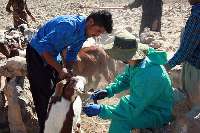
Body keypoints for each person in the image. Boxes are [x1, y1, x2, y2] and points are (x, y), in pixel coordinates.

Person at [26, 10, 113, 133]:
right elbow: (43, 49)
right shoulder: (68, 26)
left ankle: (59, 122)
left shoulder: (84, 33)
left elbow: (71, 54)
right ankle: (45, 127)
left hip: (53, 53)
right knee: (43, 95)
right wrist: (60, 69)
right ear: (91, 22)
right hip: (36, 53)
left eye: (101, 33)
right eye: (98, 31)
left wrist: (69, 69)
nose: (97, 35)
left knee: (57, 89)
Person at [83, 31, 173, 133]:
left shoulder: (147, 75)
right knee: (120, 115)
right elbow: (125, 79)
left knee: (121, 120)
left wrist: (101, 109)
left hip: (156, 112)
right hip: (145, 105)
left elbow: (131, 107)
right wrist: (108, 91)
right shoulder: (138, 62)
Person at [165, 0, 200, 110]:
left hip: (195, 70)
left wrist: (166, 66)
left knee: (193, 107)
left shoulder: (197, 15)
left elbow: (185, 50)